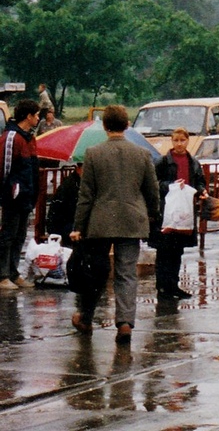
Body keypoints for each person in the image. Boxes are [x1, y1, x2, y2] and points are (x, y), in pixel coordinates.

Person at [70, 105, 160, 343]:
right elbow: (152, 191)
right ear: (127, 125)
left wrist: (78, 226)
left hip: (101, 222)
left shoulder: (93, 153)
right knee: (127, 273)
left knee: (96, 272)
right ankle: (125, 324)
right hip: (132, 220)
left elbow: (86, 196)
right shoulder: (142, 154)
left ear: (105, 127)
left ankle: (86, 318)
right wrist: (152, 214)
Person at [152, 128, 208, 300]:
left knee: (177, 251)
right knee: (164, 250)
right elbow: (154, 183)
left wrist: (201, 191)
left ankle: (173, 285)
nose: (179, 144)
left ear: (187, 141)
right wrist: (171, 185)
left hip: (185, 212)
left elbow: (199, 181)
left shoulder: (193, 162)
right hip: (167, 212)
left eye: (182, 140)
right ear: (171, 141)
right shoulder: (162, 162)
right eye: (176, 140)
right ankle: (162, 286)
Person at [0, 100, 40, 290]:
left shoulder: (29, 138)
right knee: (8, 235)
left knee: (19, 235)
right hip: (13, 196)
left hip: (26, 195)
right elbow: (4, 167)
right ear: (28, 116)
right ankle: (3, 275)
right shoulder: (12, 137)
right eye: (36, 115)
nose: (38, 118)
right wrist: (6, 191)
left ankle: (13, 272)